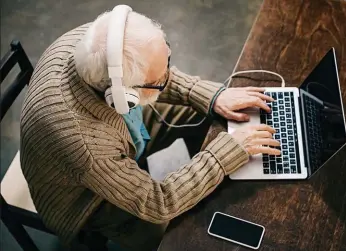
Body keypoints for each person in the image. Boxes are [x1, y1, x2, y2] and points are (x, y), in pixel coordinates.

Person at [20, 5, 280, 251]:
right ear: (123, 97)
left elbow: (158, 72)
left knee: (205, 117)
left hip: (114, 134)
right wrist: (219, 157)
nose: (168, 75)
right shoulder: (84, 143)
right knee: (169, 232)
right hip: (84, 200)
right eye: (157, 81)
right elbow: (158, 202)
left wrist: (213, 97)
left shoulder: (102, 39)